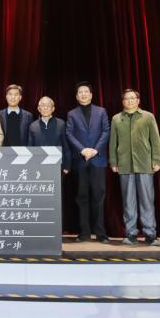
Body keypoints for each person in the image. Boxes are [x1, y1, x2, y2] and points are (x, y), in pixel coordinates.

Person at [109, 89, 160, 246]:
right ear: (123, 101)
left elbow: (155, 140)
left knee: (147, 201)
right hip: (124, 165)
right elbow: (113, 142)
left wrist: (157, 160)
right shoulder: (116, 119)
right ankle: (131, 234)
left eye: (133, 98)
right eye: (127, 98)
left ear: (138, 100)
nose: (130, 100)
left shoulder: (148, 116)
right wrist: (113, 162)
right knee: (128, 202)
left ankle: (150, 234)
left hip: (145, 164)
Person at [66, 82, 110, 243]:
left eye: (86, 92)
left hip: (98, 160)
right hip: (81, 160)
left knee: (99, 196)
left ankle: (100, 233)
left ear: (91, 95)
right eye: (80, 92)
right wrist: (82, 150)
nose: (83, 94)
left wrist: (95, 150)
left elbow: (106, 131)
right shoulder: (71, 114)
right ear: (77, 96)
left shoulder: (101, 111)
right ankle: (84, 232)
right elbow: (69, 134)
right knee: (81, 197)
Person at [27, 96, 70, 174]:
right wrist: (31, 166)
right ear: (39, 109)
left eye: (48, 105)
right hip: (38, 167)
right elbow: (30, 147)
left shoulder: (61, 124)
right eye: (43, 105)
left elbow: (66, 146)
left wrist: (67, 165)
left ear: (53, 108)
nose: (45, 107)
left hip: (58, 166)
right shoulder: (33, 126)